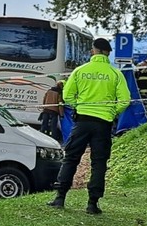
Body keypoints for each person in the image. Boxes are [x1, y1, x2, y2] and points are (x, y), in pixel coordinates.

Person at [47, 38, 131, 215]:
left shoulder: (80, 71)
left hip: (83, 121)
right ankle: (93, 203)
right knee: (99, 163)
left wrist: (79, 106)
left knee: (71, 158)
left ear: (94, 51)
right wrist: (111, 112)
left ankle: (60, 198)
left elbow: (68, 96)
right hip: (103, 123)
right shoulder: (115, 73)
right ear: (107, 53)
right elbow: (125, 100)